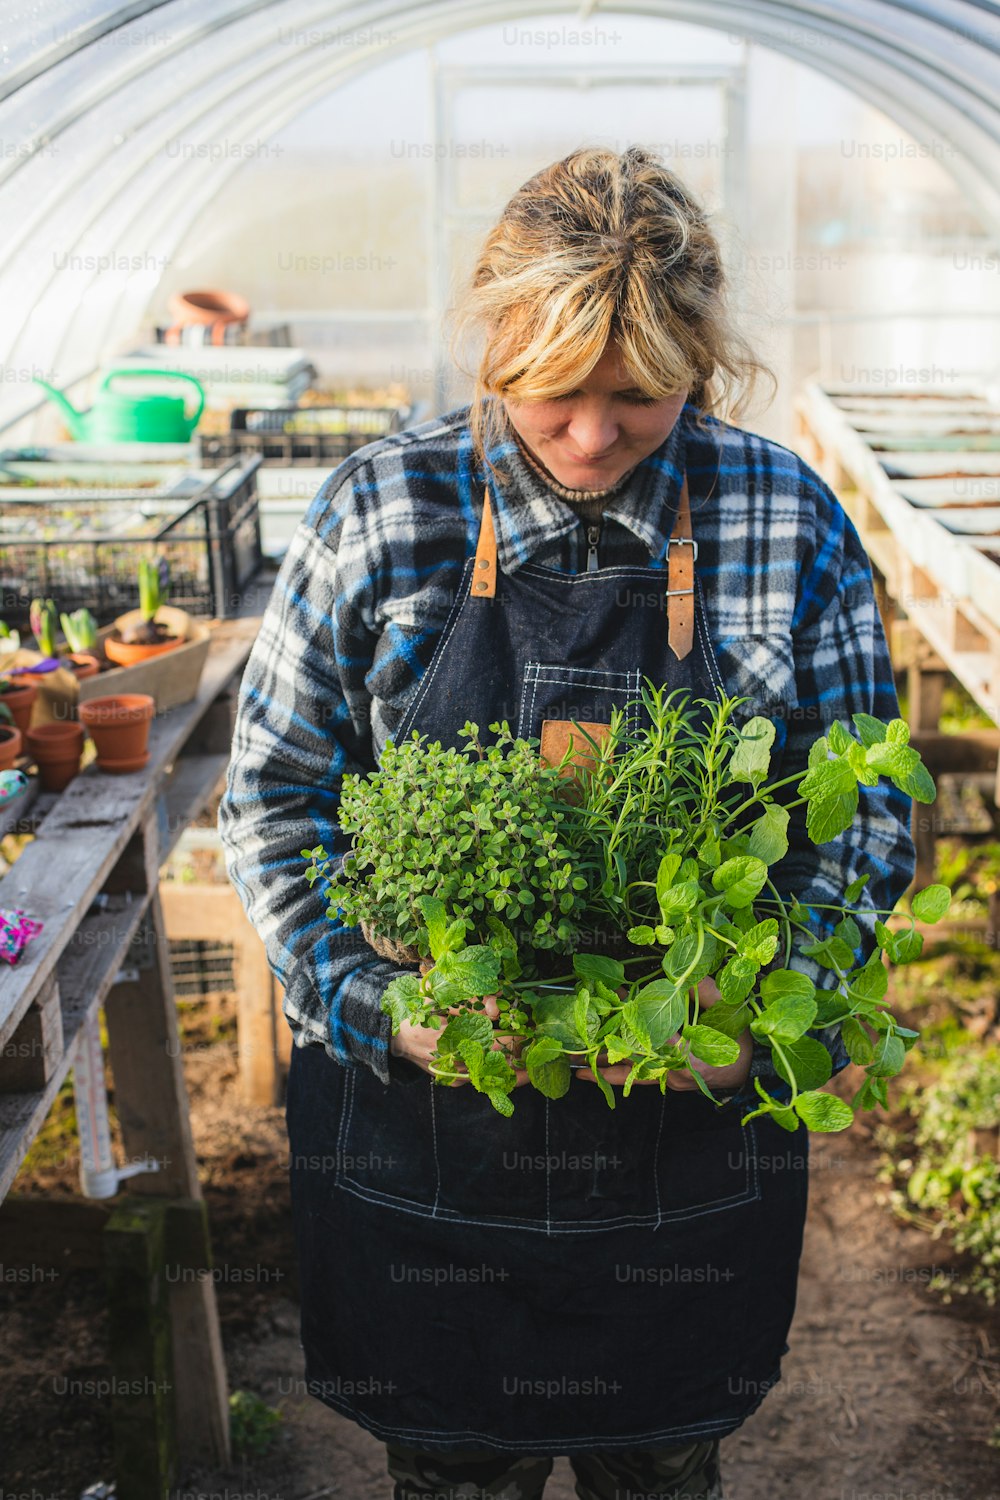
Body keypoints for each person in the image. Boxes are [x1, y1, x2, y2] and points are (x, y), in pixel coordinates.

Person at [218, 145, 916, 1500]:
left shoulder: (785, 520)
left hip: (688, 1148)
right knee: (449, 1465)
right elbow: (272, 802)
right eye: (553, 393)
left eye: (639, 396)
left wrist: (772, 1008)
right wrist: (379, 1006)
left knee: (663, 1461)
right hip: (429, 1150)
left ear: (701, 365)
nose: (592, 437)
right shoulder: (381, 511)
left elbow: (872, 811)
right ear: (495, 343)